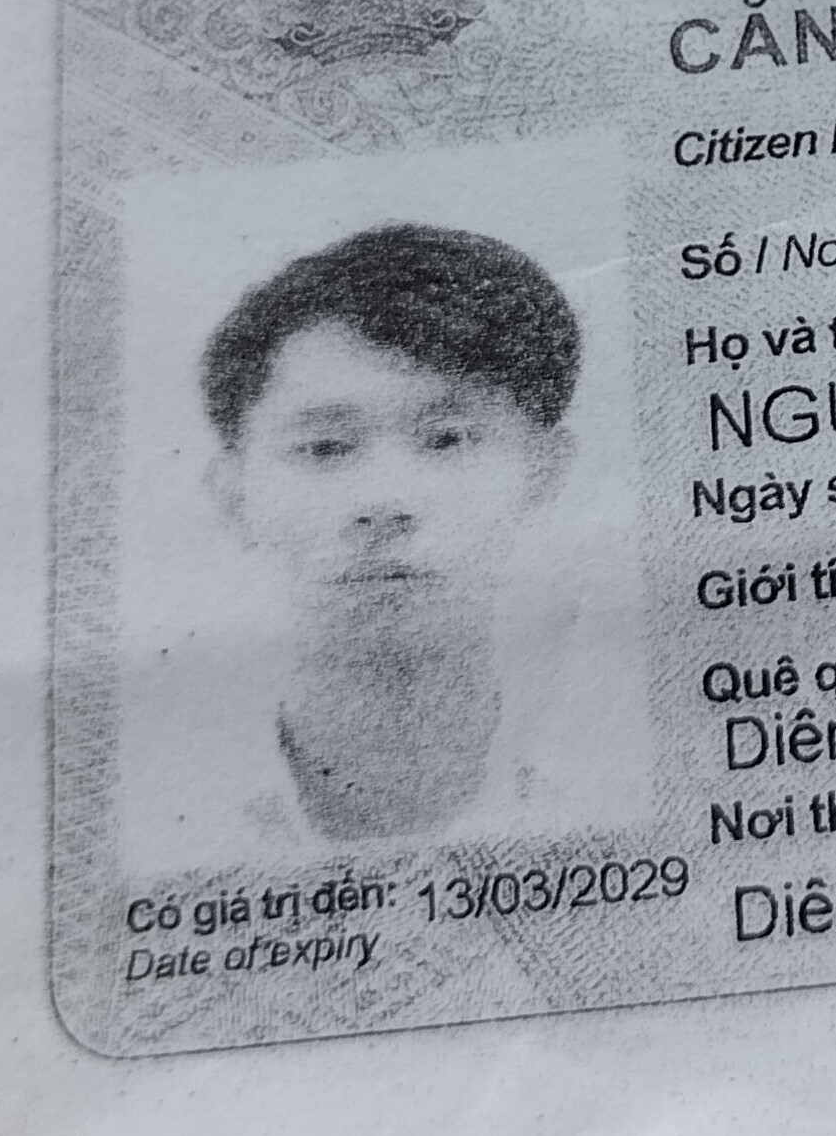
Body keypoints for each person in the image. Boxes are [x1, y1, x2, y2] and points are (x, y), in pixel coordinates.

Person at [200, 222, 580, 843]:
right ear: (233, 494)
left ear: (544, 471)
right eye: (325, 447)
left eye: (447, 439)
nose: (383, 503)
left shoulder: (599, 789)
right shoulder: (172, 823)